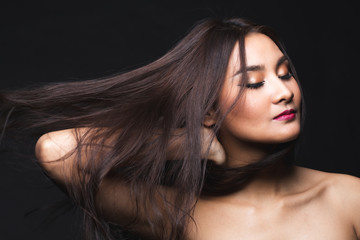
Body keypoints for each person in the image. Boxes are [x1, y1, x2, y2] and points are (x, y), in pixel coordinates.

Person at [1, 17, 359, 240]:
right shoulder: (179, 214)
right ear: (207, 112)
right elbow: (56, 151)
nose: (284, 93)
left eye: (285, 73)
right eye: (253, 83)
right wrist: (186, 141)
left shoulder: (348, 198)